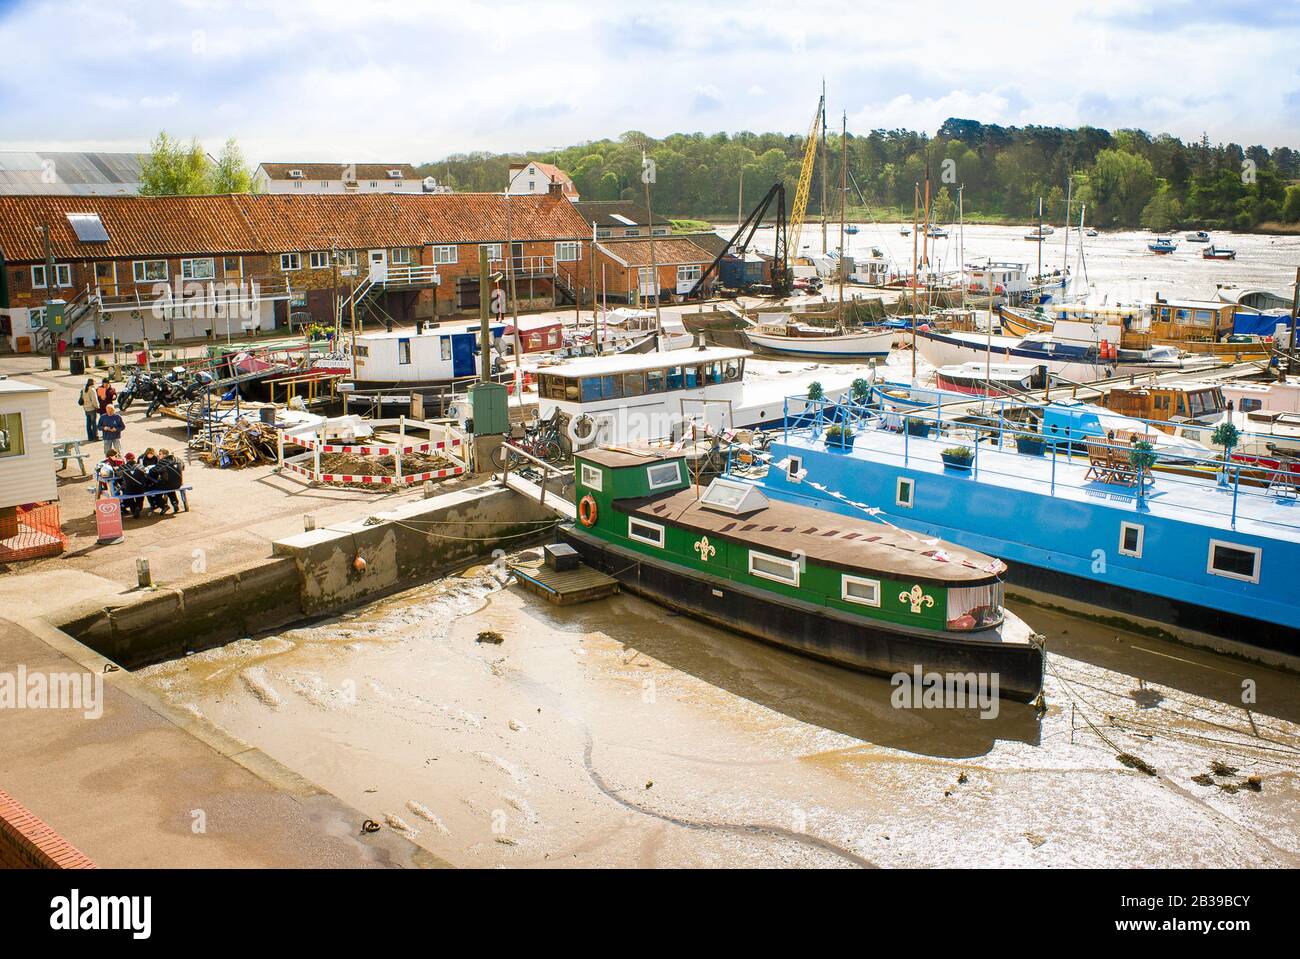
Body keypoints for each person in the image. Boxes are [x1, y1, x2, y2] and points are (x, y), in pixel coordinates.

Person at [155, 449, 184, 514]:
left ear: (164, 455)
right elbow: (183, 467)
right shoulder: (176, 460)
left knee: (156, 492)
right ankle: (174, 503)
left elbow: (154, 472)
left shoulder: (162, 462)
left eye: (160, 454)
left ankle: (164, 506)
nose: (158, 455)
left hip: (169, 484)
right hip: (178, 483)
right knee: (170, 490)